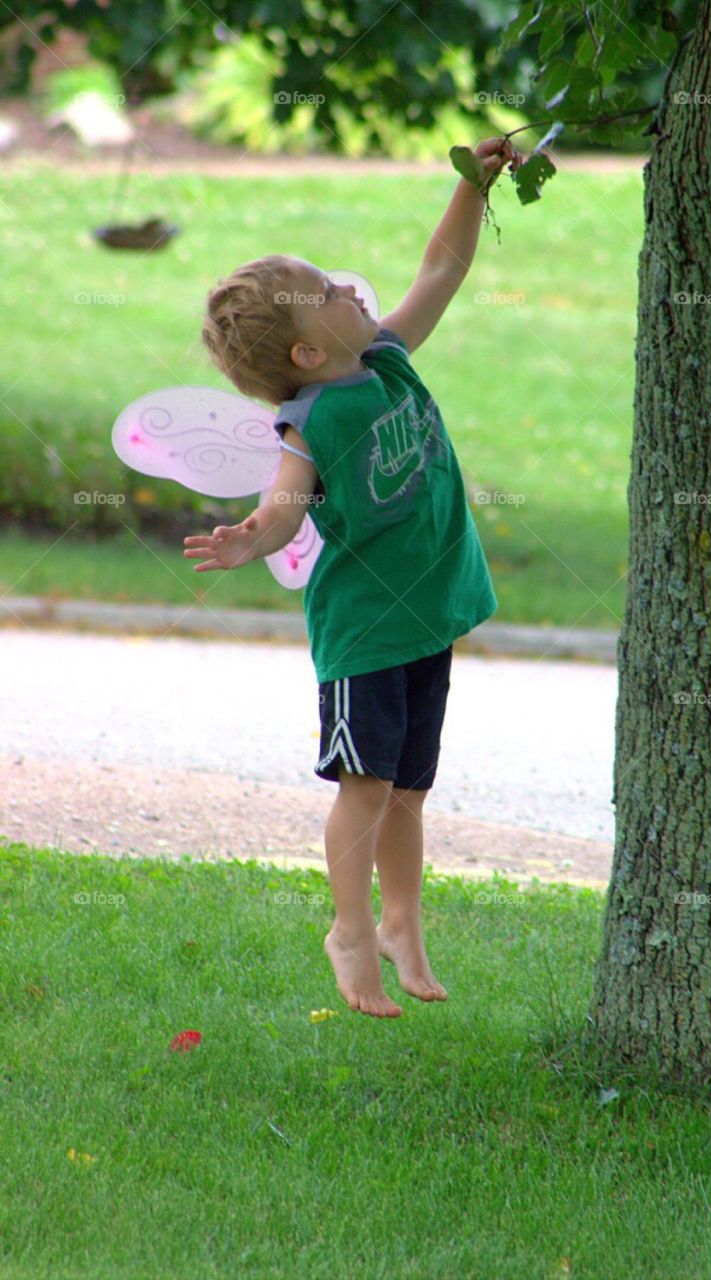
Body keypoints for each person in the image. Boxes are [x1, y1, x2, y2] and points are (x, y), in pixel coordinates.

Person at [183, 136, 522, 1018]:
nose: (351, 291)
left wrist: (470, 186)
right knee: (365, 787)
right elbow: (287, 506)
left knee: (408, 788)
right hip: (367, 631)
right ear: (303, 354)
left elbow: (440, 271)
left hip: (425, 616)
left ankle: (402, 922)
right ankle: (347, 927)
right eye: (329, 294)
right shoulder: (312, 423)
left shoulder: (385, 358)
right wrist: (250, 540)